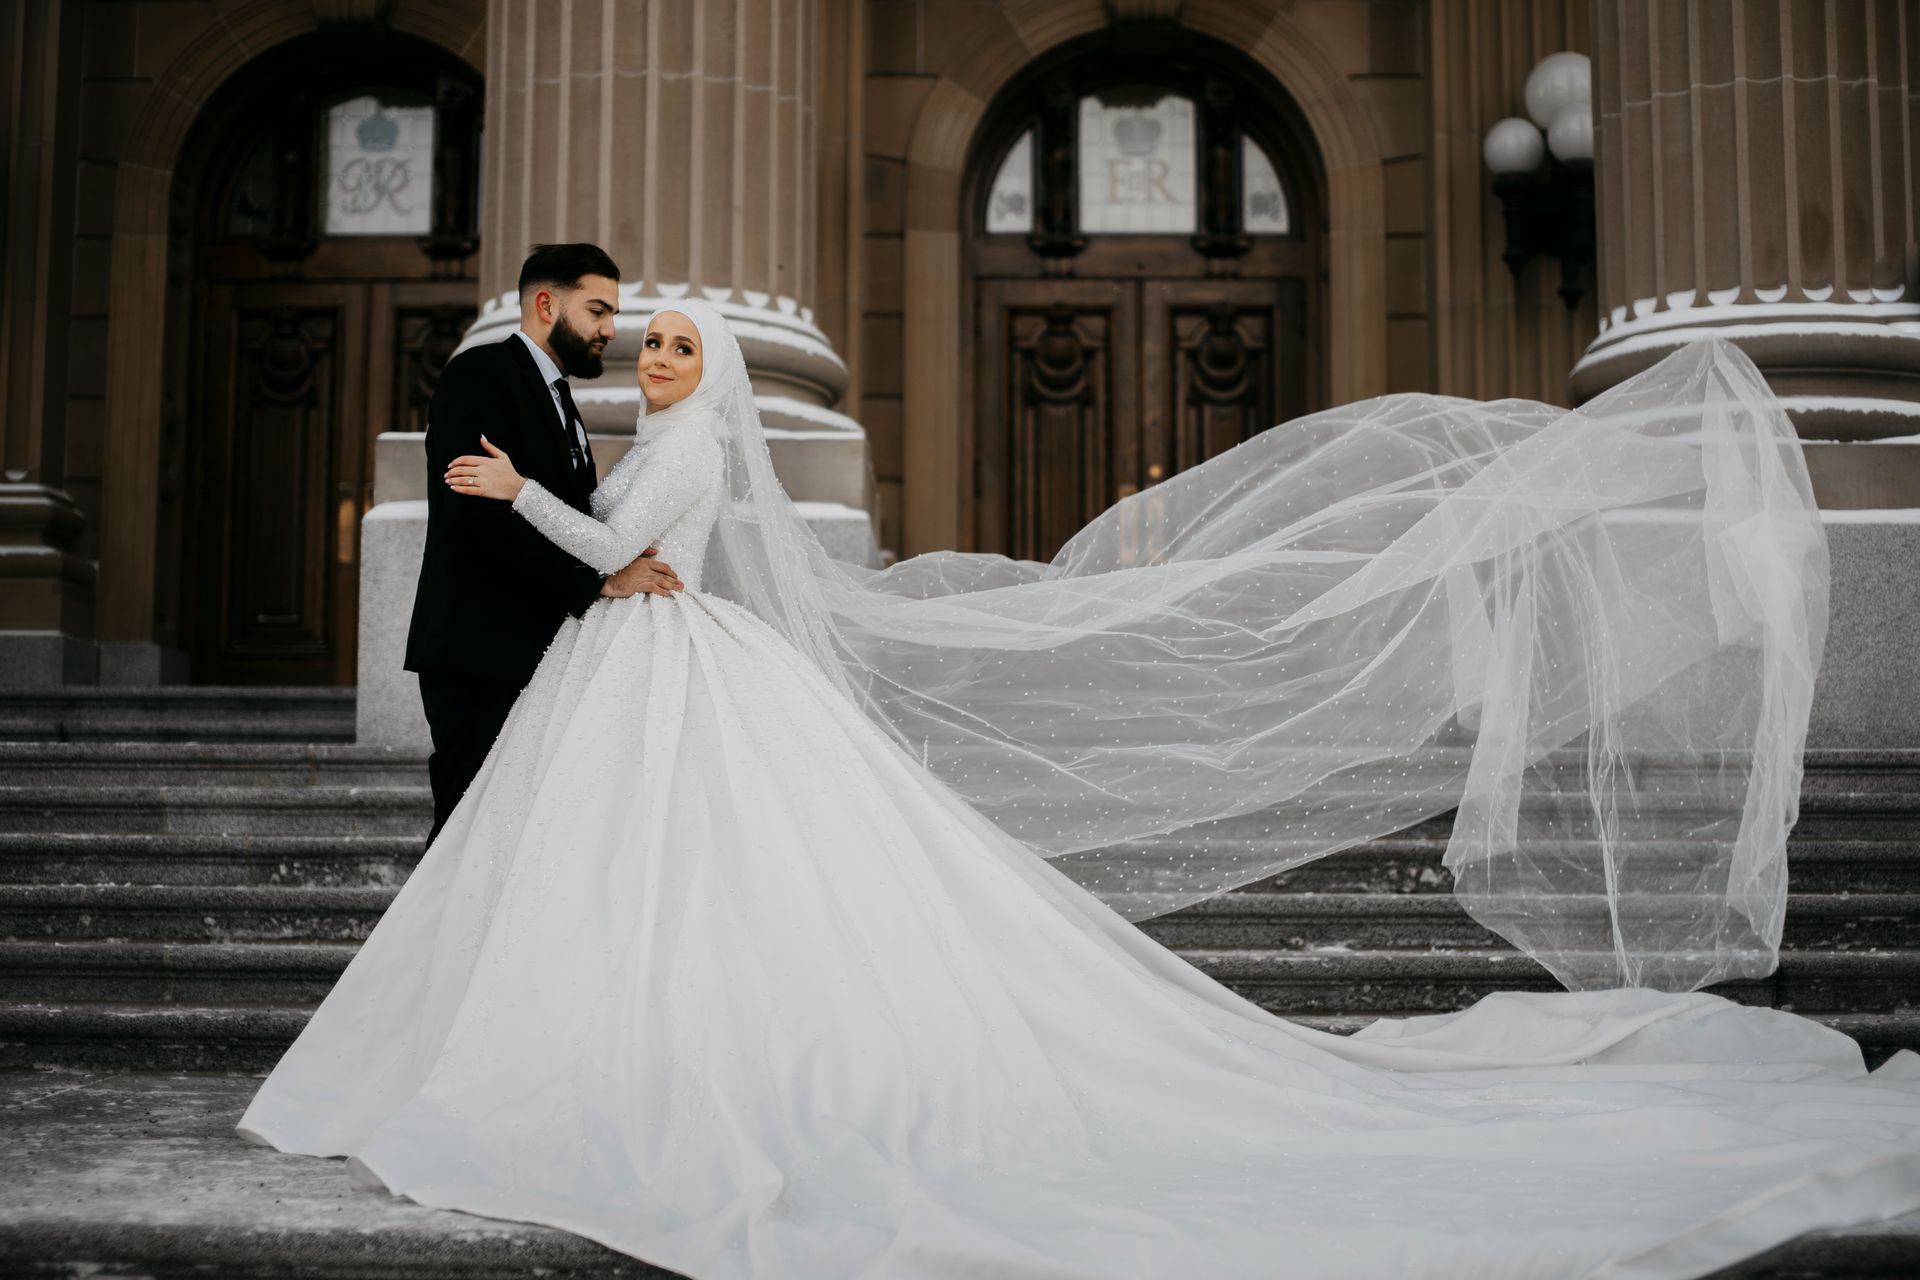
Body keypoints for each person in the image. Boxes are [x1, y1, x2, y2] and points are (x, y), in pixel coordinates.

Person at [241, 301, 1920, 1280]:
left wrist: (503, 491)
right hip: (649, 668)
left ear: (712, 375)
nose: (668, 361)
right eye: (656, 344)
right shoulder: (670, 432)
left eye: (685, 345)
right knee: (657, 890)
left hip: (664, 665)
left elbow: (617, 549)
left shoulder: (685, 450)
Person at [403, 243, 682, 842]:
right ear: (546, 302)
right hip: (479, 650)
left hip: (538, 651)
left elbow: (563, 515)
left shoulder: (559, 398)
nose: (611, 329)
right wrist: (597, 582)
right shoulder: (480, 375)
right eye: (598, 311)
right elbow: (475, 518)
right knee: (465, 837)